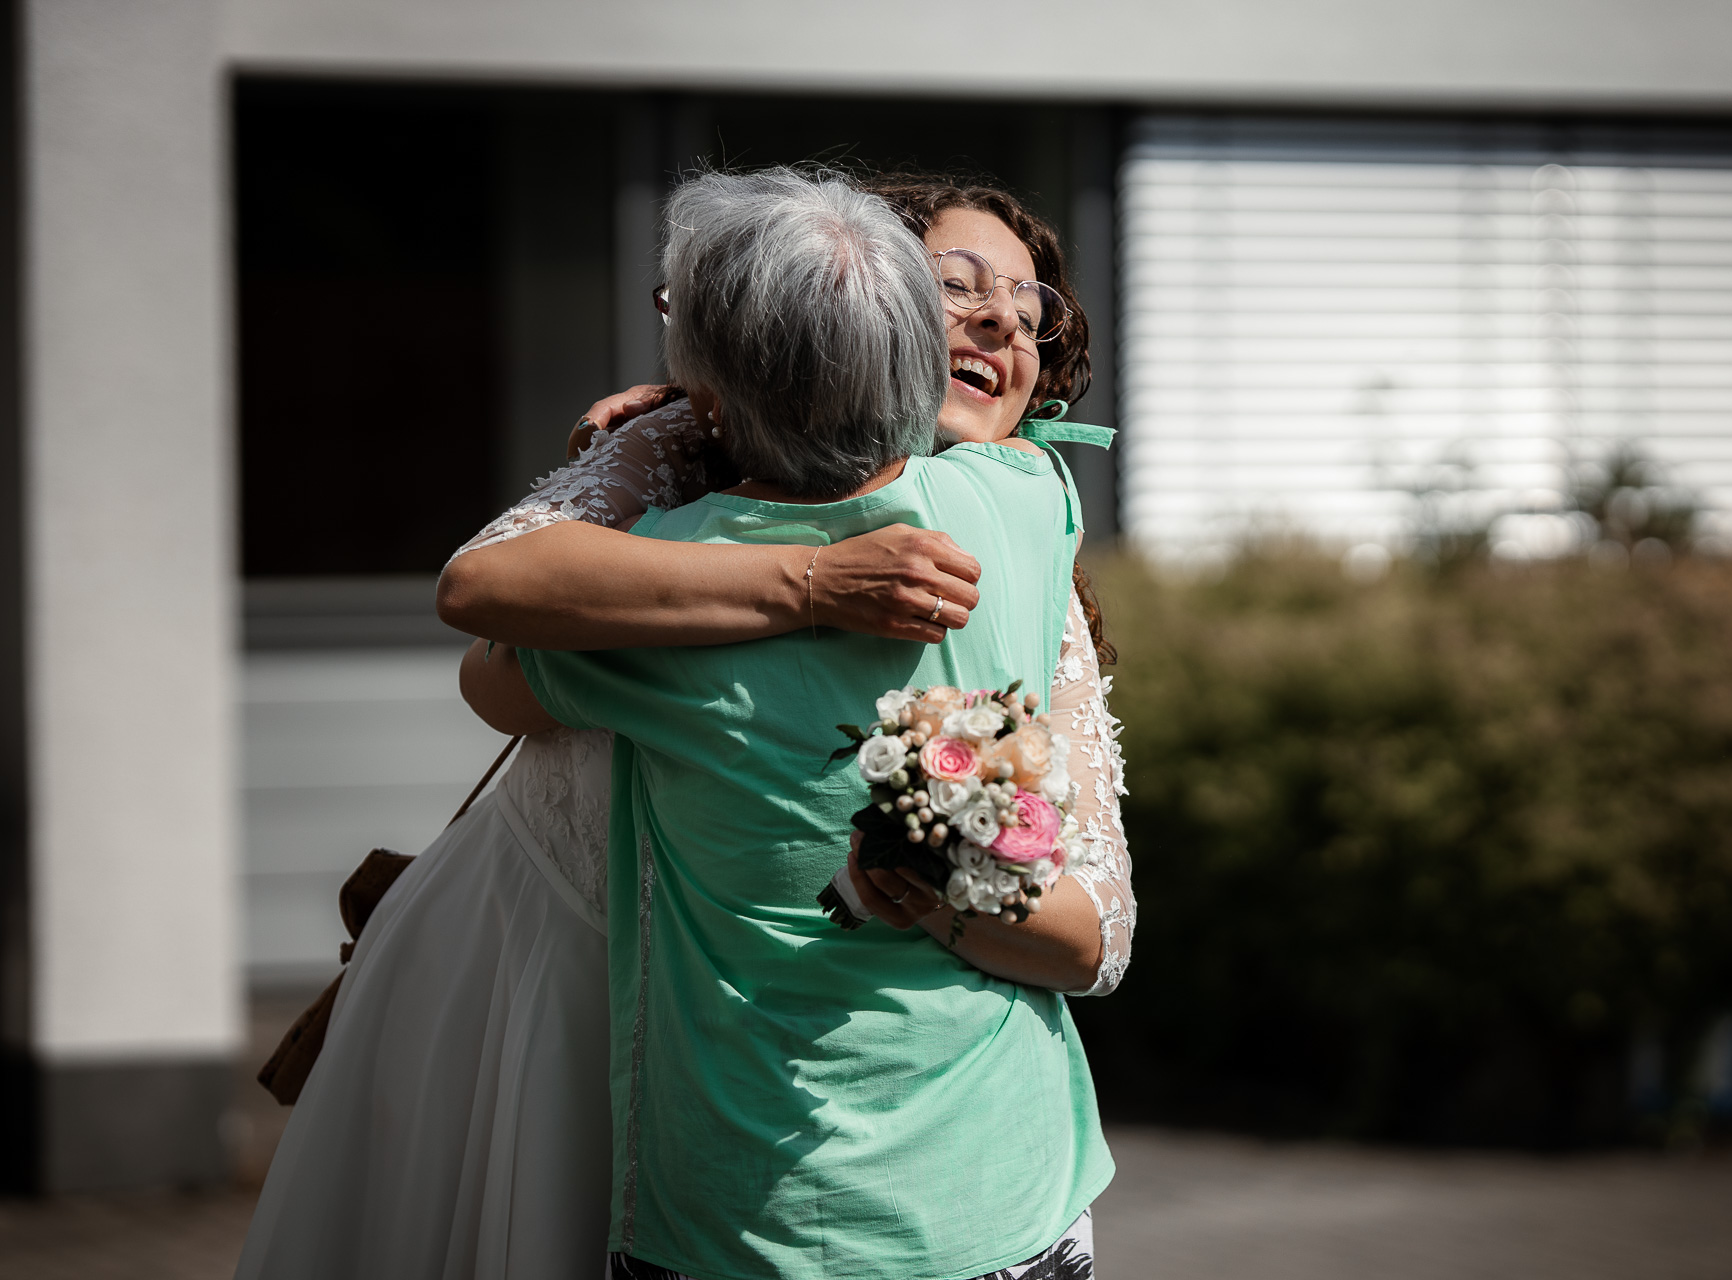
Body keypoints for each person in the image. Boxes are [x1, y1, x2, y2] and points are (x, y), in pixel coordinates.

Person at [235, 170, 1131, 1280]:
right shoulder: (1028, 504)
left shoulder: (655, 595)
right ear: (904, 341)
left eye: (1029, 305)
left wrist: (683, 434)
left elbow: (490, 656)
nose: (1003, 316)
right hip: (1009, 1184)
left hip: (738, 1205)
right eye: (955, 285)